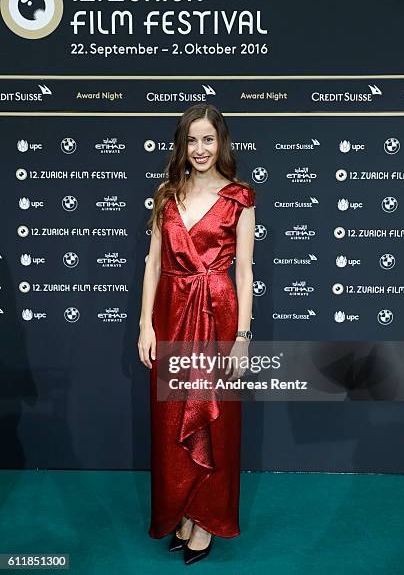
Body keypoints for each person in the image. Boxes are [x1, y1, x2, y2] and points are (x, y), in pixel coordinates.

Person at [138, 103, 255, 565]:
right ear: (181, 146)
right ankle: (183, 512)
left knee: (215, 422)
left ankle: (206, 520)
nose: (200, 149)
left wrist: (242, 338)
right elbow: (152, 263)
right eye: (192, 140)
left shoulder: (240, 197)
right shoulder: (167, 194)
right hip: (170, 314)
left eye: (208, 139)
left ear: (220, 143)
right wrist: (145, 324)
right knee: (171, 422)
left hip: (219, 316)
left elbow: (243, 272)